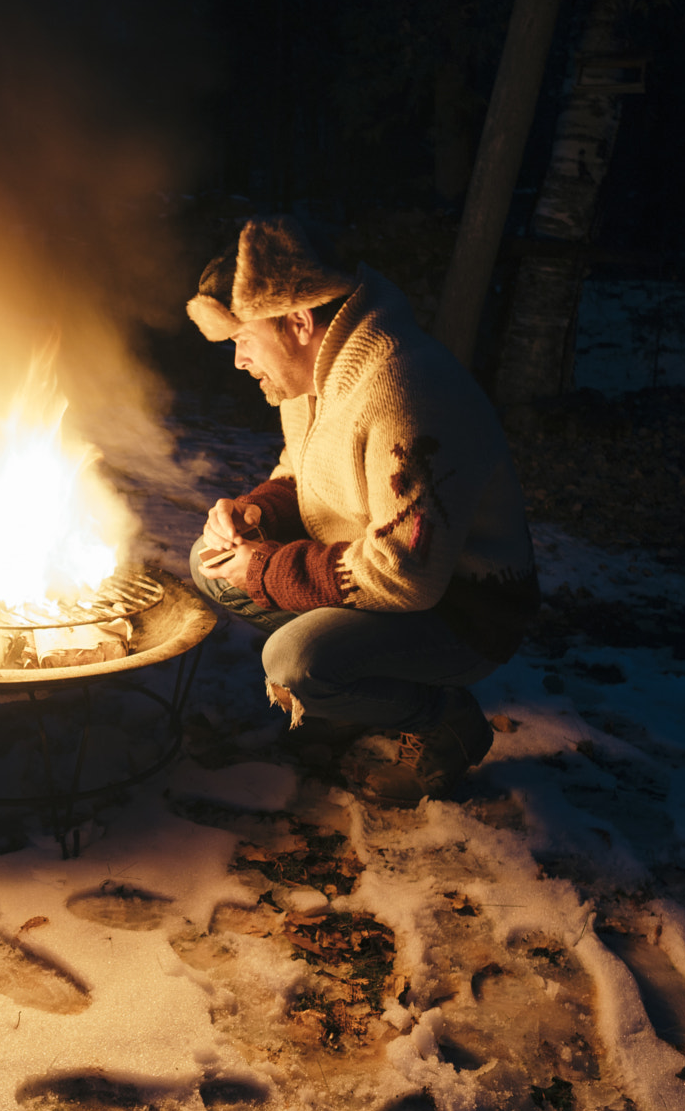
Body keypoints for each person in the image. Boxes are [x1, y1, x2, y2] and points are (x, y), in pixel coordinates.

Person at [187, 216, 539, 806]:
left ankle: (444, 720)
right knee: (211, 561)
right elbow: (302, 475)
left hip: (466, 610)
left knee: (295, 662)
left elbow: (406, 576)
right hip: (392, 578)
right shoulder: (315, 377)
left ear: (298, 322)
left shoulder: (403, 391)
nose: (239, 359)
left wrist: (266, 569)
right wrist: (255, 516)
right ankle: (355, 690)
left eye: (243, 339)